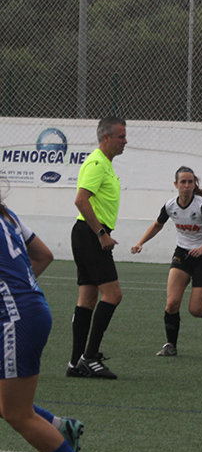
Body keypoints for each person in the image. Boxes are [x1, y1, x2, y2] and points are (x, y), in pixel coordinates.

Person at [0, 196, 105, 452]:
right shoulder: (7, 215)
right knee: (8, 403)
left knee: (16, 413)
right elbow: (43, 255)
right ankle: (62, 427)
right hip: (28, 311)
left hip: (14, 320)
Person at [131, 166, 202, 356]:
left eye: (190, 181)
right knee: (172, 303)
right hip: (182, 255)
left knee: (195, 310)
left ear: (194, 184)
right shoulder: (170, 206)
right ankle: (170, 345)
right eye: (182, 182)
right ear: (175, 184)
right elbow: (157, 225)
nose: (187, 185)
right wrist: (140, 242)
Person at [67, 116, 127, 379]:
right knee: (113, 294)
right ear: (106, 138)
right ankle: (90, 357)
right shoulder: (96, 164)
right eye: (121, 137)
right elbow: (81, 200)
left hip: (87, 235)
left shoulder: (105, 164)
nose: (125, 141)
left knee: (88, 298)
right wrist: (101, 233)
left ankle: (74, 364)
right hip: (91, 235)